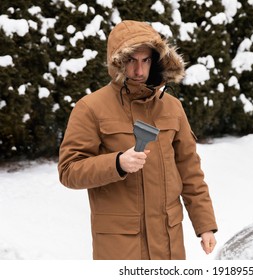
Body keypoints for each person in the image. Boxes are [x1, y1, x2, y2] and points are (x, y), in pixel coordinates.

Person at [57, 20, 218, 260]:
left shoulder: (172, 108)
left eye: (146, 60)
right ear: (117, 61)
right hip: (121, 247)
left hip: (168, 243)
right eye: (131, 60)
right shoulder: (91, 108)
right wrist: (117, 163)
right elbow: (69, 170)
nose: (139, 71)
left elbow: (189, 169)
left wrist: (204, 224)